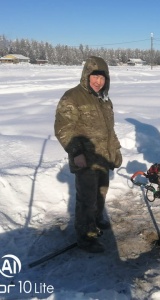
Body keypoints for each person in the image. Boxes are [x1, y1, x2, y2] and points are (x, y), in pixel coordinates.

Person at [54, 56, 122, 253]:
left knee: (101, 192)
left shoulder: (104, 100)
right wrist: (76, 153)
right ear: (86, 75)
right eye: (95, 77)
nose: (98, 81)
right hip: (85, 160)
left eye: (102, 78)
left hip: (102, 159)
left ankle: (97, 219)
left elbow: (110, 130)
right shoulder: (72, 97)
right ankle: (86, 236)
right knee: (87, 199)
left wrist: (115, 150)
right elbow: (64, 129)